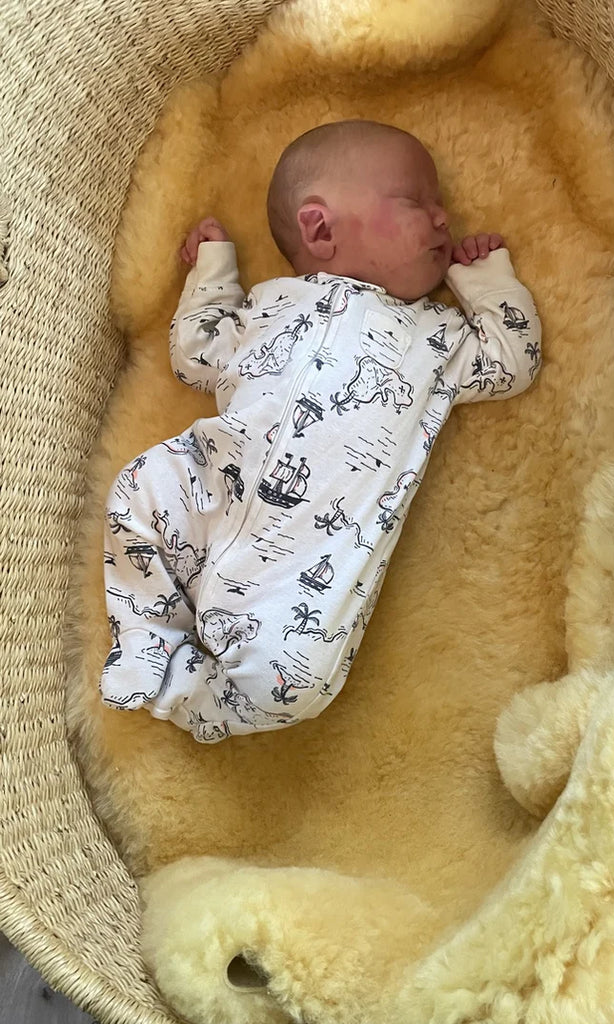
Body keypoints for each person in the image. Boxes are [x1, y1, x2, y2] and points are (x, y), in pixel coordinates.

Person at [99, 119, 542, 743]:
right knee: (138, 488)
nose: (444, 218)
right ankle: (149, 639)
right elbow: (197, 353)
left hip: (306, 564)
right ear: (320, 229)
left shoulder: (433, 338)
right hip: (210, 496)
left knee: (293, 681)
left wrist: (488, 283)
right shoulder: (268, 305)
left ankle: (193, 696)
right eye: (417, 202)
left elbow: (511, 361)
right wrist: (213, 273)